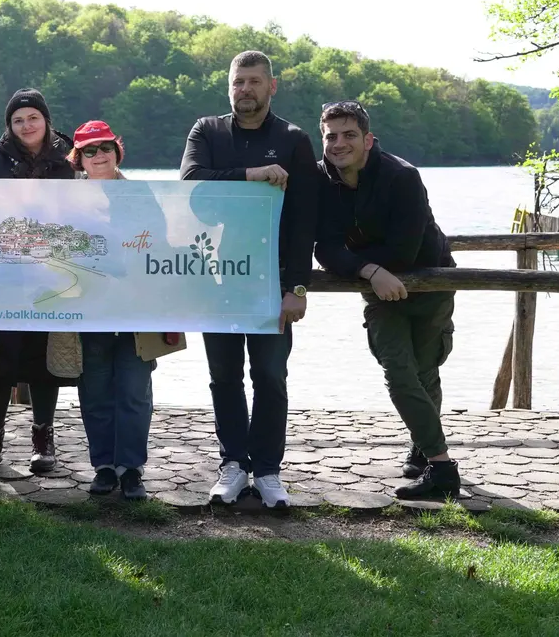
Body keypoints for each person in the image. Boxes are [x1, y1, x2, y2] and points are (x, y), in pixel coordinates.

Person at [180, 50, 317, 508]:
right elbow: (192, 184)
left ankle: (270, 470)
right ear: (229, 86)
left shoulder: (294, 140)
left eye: (255, 82)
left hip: (273, 281)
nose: (246, 90)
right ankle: (234, 464)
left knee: (271, 378)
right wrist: (252, 176)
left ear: (271, 87)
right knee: (224, 377)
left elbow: (303, 222)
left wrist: (297, 288)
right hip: (216, 277)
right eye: (239, 82)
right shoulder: (207, 131)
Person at [314, 101, 461, 500]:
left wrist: (366, 263)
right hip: (377, 289)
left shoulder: (402, 176)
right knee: (399, 370)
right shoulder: (320, 180)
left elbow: (405, 248)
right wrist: (370, 272)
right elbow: (324, 247)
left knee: (426, 369)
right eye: (331, 136)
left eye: (349, 135)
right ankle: (443, 467)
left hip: (430, 282)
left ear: (368, 139)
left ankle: (423, 449)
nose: (339, 143)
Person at [67, 120, 185, 501]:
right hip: (89, 312)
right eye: (88, 150)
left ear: (117, 152)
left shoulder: (142, 194)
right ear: (78, 159)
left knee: (134, 392)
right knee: (96, 390)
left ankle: (131, 468)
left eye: (104, 148)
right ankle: (103, 466)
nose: (97, 155)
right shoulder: (66, 199)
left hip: (137, 310)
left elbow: (159, 246)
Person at [0, 88, 77, 473]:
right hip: (0, 279)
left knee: (46, 360)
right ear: (8, 126)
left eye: (33, 118)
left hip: (52, 278)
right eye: (18, 120)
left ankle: (43, 436)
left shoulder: (68, 161)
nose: (26, 125)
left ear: (46, 121)